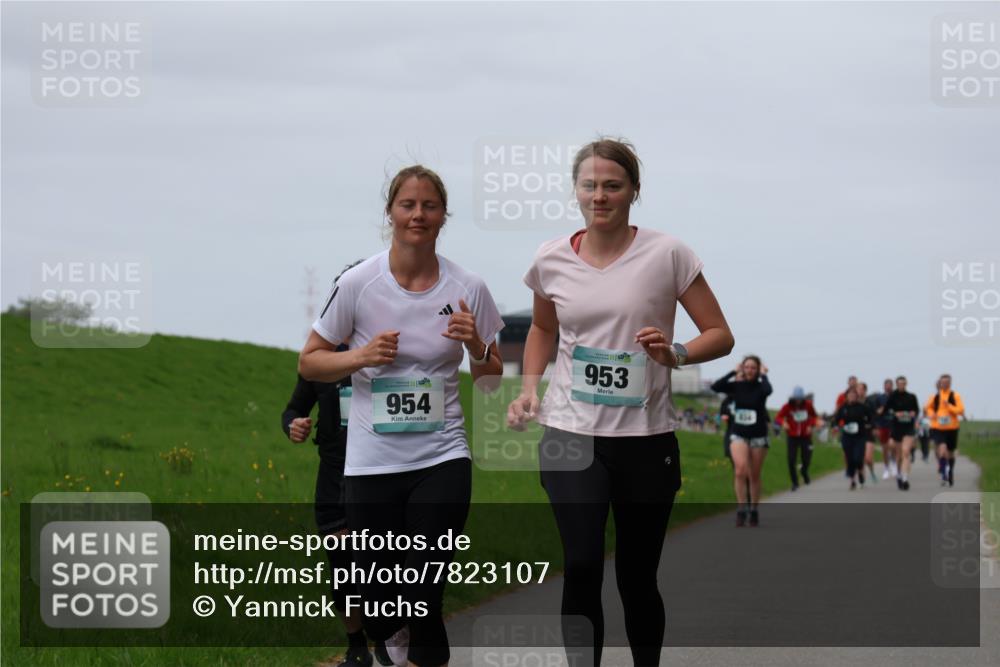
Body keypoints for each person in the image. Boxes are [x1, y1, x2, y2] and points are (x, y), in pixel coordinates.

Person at [506, 139, 734, 667]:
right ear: (576, 191)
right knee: (582, 563)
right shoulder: (551, 258)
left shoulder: (669, 254)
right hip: (571, 433)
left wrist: (675, 353)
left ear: (634, 190)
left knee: (636, 576)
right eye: (589, 186)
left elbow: (720, 334)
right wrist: (527, 390)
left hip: (646, 439)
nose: (600, 196)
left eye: (612, 185)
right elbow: (543, 327)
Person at [300, 165, 505, 667]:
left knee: (424, 585)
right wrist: (361, 357)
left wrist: (477, 344)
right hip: (372, 462)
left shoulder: (467, 286)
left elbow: (492, 379)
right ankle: (394, 646)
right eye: (408, 205)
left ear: (443, 216)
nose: (418, 214)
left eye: (429, 205)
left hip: (442, 457)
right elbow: (310, 361)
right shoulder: (358, 283)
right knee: (381, 597)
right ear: (391, 212)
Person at [283, 263, 393, 667]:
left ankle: (388, 634)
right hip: (334, 476)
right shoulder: (321, 363)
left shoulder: (388, 355)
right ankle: (357, 646)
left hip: (383, 473)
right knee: (344, 567)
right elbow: (293, 408)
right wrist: (293, 425)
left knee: (381, 564)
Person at [711, 356, 772, 526]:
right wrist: (733, 371)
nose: (750, 370)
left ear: (758, 369)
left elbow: (768, 391)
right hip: (738, 433)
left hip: (758, 436)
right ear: (743, 369)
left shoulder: (761, 387)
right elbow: (716, 386)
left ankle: (753, 509)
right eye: (747, 367)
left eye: (754, 367)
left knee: (754, 475)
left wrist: (764, 375)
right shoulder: (736, 386)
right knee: (740, 471)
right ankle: (741, 508)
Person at [774, 386, 818, 491]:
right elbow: (778, 417)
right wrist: (783, 423)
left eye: (800, 398)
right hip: (792, 436)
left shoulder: (808, 405)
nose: (798, 401)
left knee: (806, 458)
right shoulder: (787, 406)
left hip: (805, 436)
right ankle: (795, 482)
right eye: (796, 398)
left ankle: (804, 471)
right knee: (791, 460)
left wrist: (810, 426)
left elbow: (814, 417)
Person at [924, 373, 965, 487]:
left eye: (947, 382)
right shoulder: (935, 397)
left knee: (951, 452)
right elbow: (928, 408)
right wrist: (932, 414)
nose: (945, 384)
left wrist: (949, 406)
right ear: (940, 383)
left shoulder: (955, 396)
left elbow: (961, 410)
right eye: (943, 382)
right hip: (938, 428)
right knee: (942, 450)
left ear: (950, 383)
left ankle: (950, 470)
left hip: (952, 428)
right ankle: (944, 473)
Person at [832, 387, 875, 490]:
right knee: (850, 459)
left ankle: (860, 471)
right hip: (847, 437)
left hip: (859, 437)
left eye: (854, 395)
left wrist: (869, 425)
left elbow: (871, 418)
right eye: (850, 395)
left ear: (857, 396)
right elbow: (836, 420)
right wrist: (836, 427)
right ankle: (852, 481)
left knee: (858, 458)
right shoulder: (843, 408)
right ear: (846, 397)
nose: (852, 397)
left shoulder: (862, 407)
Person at [884, 376, 920, 491]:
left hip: (908, 428)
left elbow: (917, 410)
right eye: (899, 384)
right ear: (896, 384)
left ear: (906, 384)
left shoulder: (911, 397)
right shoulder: (892, 397)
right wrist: (895, 414)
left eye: (903, 384)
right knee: (899, 456)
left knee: (906, 452)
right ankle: (899, 475)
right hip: (897, 429)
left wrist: (913, 413)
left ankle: (905, 478)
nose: (901, 386)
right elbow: (887, 411)